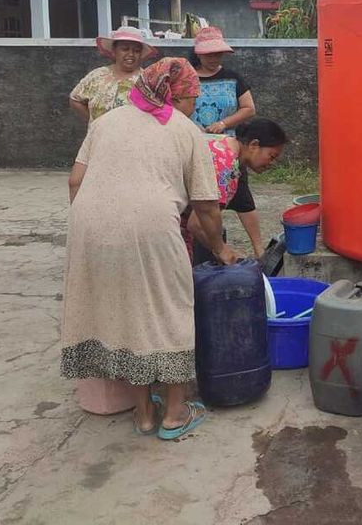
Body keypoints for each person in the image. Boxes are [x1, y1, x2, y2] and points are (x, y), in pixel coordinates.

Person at [62, 57, 239, 441]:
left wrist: (98, 222)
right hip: (149, 226)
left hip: (88, 225)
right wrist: (221, 249)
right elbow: (206, 205)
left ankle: (143, 415)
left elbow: (76, 181)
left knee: (128, 312)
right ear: (177, 95)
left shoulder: (105, 122)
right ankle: (175, 413)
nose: (195, 104)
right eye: (193, 95)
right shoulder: (184, 129)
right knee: (170, 310)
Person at [188, 25, 264, 257]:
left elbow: (249, 109)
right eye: (209, 54)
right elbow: (173, 109)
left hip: (229, 151)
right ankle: (211, 246)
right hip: (195, 150)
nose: (214, 58)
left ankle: (260, 251)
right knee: (202, 201)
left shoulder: (233, 78)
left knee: (241, 196)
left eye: (218, 53)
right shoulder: (186, 78)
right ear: (198, 53)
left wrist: (224, 123)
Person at [185, 118, 287, 262]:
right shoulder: (226, 166)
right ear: (254, 145)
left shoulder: (223, 143)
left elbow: (244, 204)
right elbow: (197, 224)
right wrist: (224, 251)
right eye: (272, 156)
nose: (272, 163)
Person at [69, 26, 156, 124]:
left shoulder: (148, 81)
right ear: (114, 51)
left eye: (136, 51)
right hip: (100, 138)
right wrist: (95, 121)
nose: (131, 54)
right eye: (125, 49)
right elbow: (75, 99)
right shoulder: (97, 76)